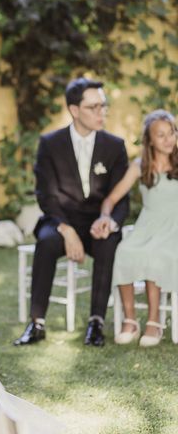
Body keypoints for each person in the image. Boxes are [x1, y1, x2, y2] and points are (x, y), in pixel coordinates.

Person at [14, 77, 129, 347]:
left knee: (107, 241)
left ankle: (96, 323)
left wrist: (109, 221)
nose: (102, 112)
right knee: (47, 240)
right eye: (93, 107)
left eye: (103, 105)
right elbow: (46, 194)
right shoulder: (50, 144)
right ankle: (36, 323)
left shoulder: (115, 146)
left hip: (96, 220)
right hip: (60, 218)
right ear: (74, 110)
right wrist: (66, 231)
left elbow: (121, 199)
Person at [91, 110, 178, 347]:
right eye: (161, 135)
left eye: (172, 133)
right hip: (148, 225)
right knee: (123, 253)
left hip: (174, 228)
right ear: (150, 140)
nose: (169, 139)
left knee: (156, 256)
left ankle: (154, 321)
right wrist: (104, 217)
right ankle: (130, 320)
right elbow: (110, 200)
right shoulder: (140, 166)